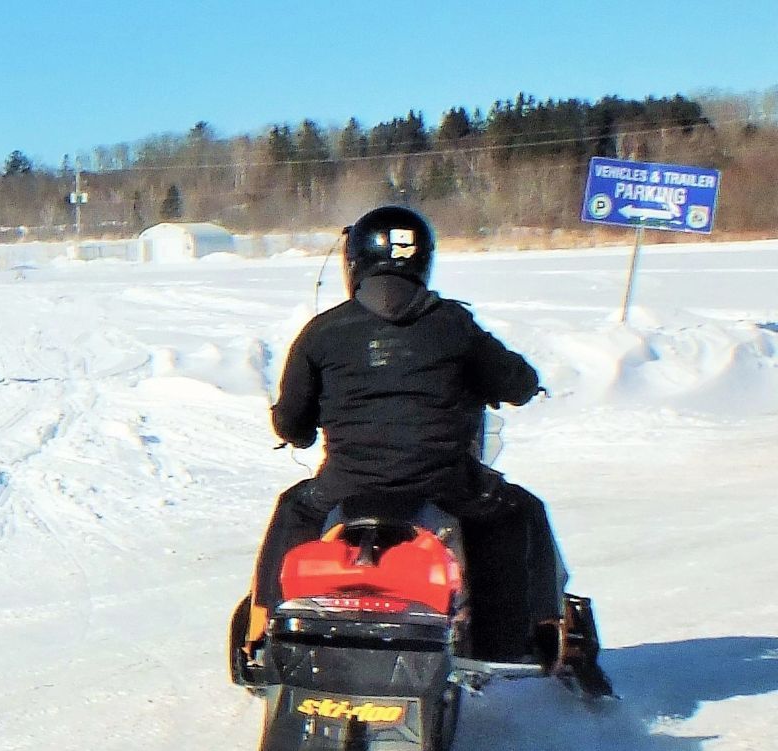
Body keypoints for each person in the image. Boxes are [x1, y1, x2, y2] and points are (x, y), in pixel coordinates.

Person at [249, 205, 600, 679]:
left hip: (345, 487)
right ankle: (509, 639)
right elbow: (514, 381)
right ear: (423, 260)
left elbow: (292, 425)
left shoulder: (322, 331)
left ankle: (264, 630)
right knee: (521, 511)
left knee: (295, 509)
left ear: (353, 262)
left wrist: (295, 426)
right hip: (444, 485)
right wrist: (523, 384)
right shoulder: (454, 325)